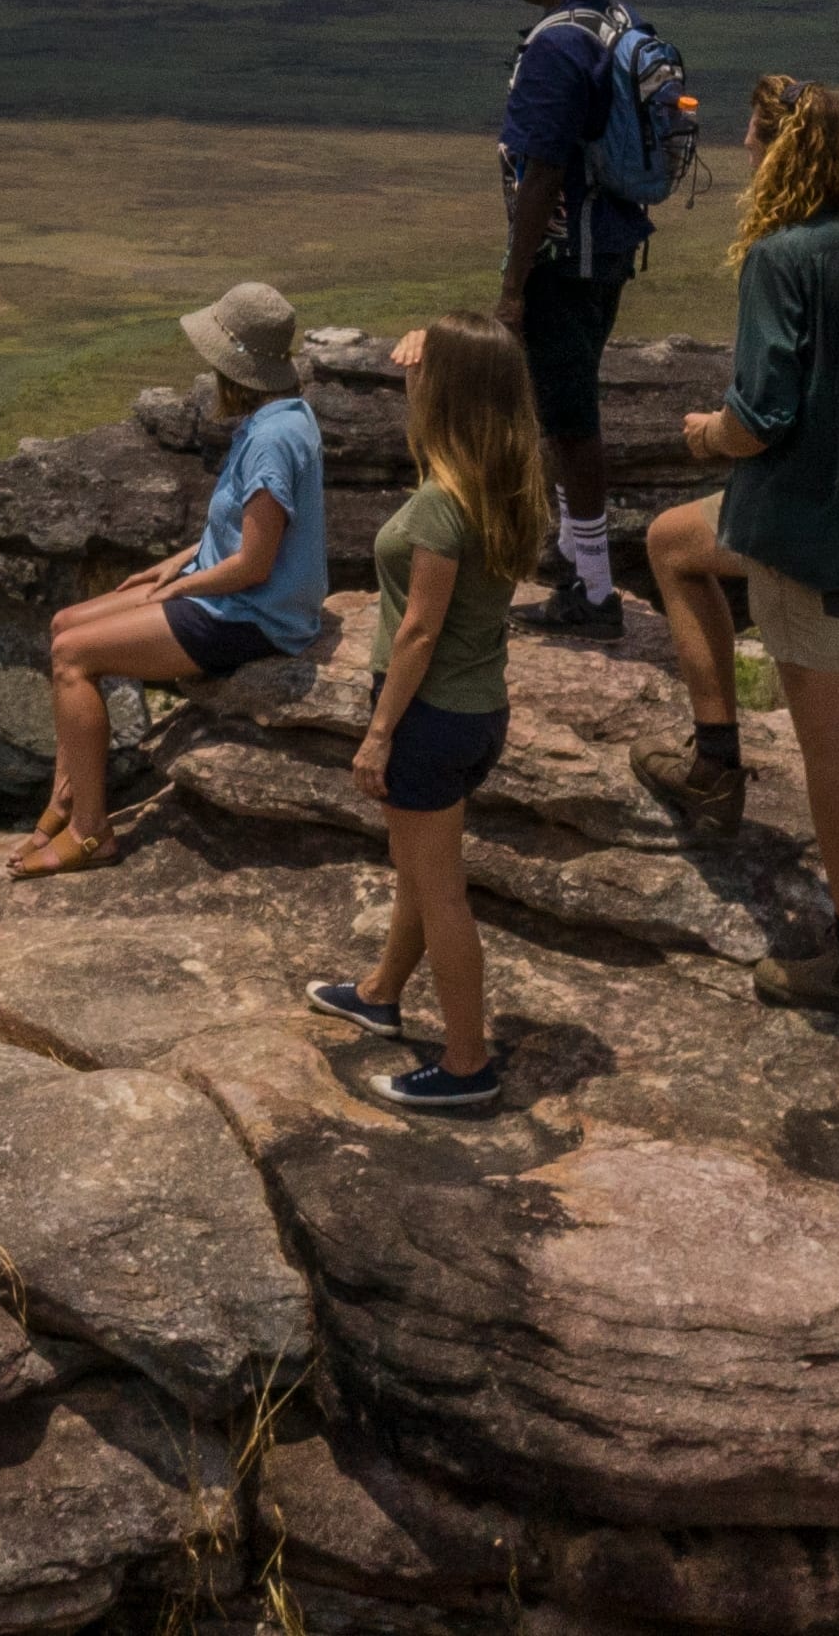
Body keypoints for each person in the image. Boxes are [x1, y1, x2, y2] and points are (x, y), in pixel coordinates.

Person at [640, 75, 839, 1026]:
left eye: (754, 134)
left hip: (793, 531)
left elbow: (760, 415)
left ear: (782, 150)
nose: (742, 146)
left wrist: (707, 435)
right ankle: (714, 764)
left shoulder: (780, 256)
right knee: (673, 543)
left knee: (830, 742)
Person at [14, 280, 329, 878]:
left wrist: (181, 586)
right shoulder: (287, 415)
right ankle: (68, 794)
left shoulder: (271, 440)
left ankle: (90, 831)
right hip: (232, 592)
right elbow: (245, 529)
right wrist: (178, 562)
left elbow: (254, 564)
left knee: (73, 656)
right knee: (63, 624)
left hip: (253, 615)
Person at [307, 310, 541, 1113]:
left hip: (427, 717)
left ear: (447, 393)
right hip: (477, 711)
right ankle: (380, 992)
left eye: (424, 375)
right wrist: (427, 347)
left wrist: (378, 735)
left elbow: (417, 632)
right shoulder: (501, 484)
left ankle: (467, 1064)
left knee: (440, 894)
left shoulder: (444, 503)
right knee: (419, 867)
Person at [488, 0, 640, 641]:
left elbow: (542, 170)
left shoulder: (555, 47)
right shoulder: (616, 23)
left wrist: (513, 288)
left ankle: (595, 591)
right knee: (563, 412)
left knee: (571, 422)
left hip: (563, 258)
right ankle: (577, 564)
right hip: (607, 247)